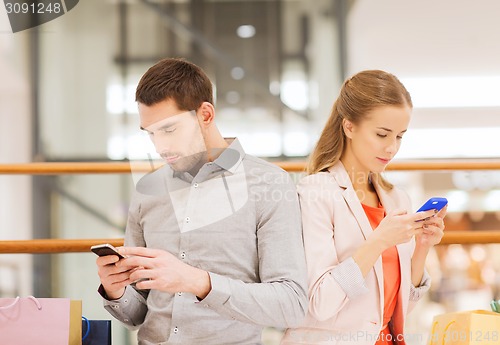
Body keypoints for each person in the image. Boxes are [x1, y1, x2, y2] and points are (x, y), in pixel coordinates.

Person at [95, 58, 308, 345]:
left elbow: (290, 305)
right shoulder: (148, 190)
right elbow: (139, 315)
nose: (160, 147)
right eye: (151, 134)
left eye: (169, 130)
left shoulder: (269, 184)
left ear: (205, 115)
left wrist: (196, 281)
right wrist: (116, 291)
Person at [281, 70, 446, 345]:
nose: (392, 148)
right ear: (349, 127)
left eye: (400, 136)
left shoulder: (396, 199)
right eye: (382, 134)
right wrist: (378, 241)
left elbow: (397, 311)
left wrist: (422, 247)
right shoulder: (316, 193)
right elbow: (320, 303)